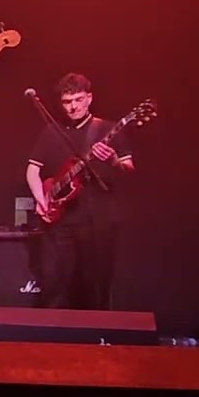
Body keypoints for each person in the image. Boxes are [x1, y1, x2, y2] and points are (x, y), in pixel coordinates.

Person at [25, 73, 133, 310]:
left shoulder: (106, 129)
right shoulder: (52, 132)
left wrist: (113, 160)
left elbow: (129, 170)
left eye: (78, 100)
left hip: (96, 221)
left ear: (89, 98)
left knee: (93, 286)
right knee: (55, 286)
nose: (73, 107)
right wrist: (41, 199)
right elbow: (32, 170)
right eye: (67, 102)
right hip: (60, 222)